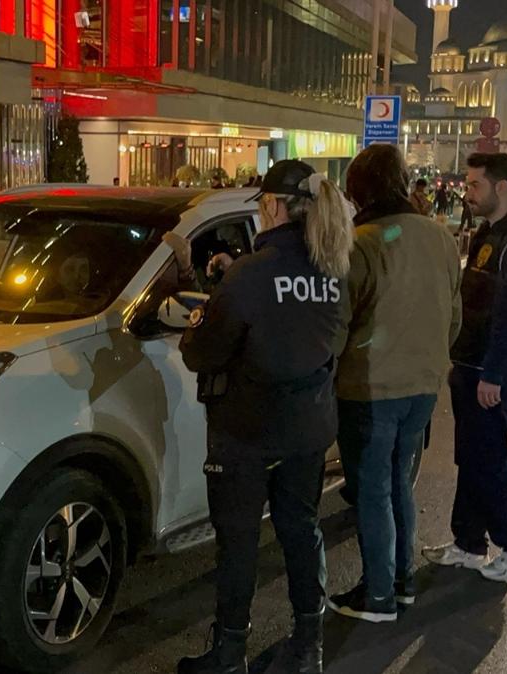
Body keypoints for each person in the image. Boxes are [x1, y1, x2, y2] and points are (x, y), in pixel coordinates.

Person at [176, 159, 354, 674]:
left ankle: (230, 653)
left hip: (246, 429)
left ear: (274, 206)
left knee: (238, 541)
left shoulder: (251, 275)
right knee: (301, 529)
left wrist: (198, 319)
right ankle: (308, 644)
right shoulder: (332, 267)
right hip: (308, 423)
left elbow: (204, 352)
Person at [326, 145, 462, 623]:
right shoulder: (441, 238)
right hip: (423, 386)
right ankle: (402, 583)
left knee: (371, 489)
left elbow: (338, 322)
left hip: (369, 387)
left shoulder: (360, 242)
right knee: (400, 483)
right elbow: (455, 317)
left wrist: (327, 367)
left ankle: (378, 594)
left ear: (357, 191)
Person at [423, 153, 507, 582]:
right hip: (470, 364)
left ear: (502, 188)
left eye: (475, 185)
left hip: (493, 373)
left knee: (492, 460)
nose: (467, 192)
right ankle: (469, 542)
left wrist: (494, 372)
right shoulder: (489, 234)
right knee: (472, 457)